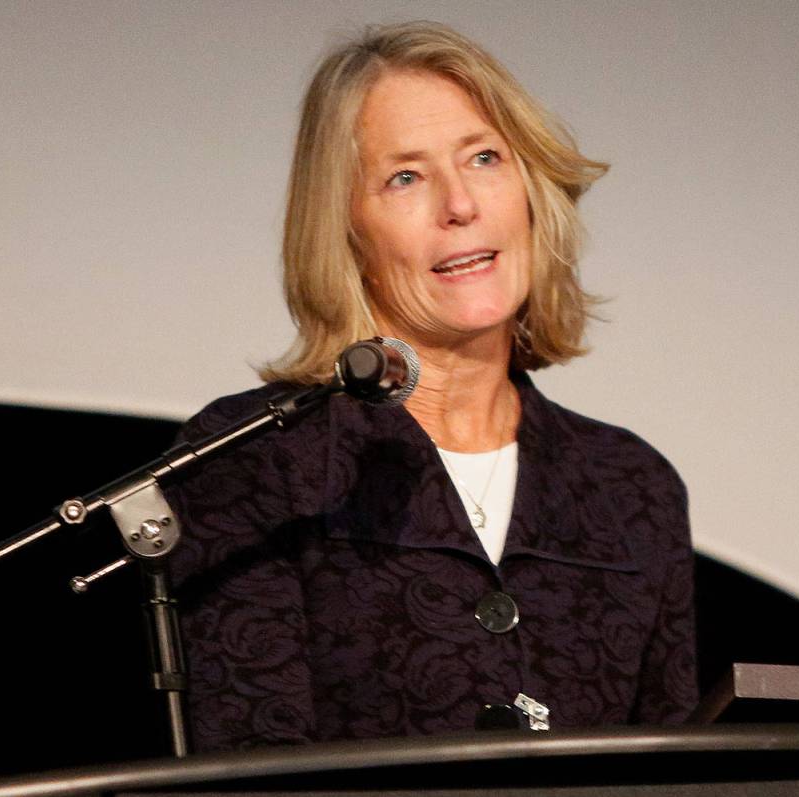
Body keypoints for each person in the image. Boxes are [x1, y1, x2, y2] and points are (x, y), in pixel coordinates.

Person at [168, 21, 697, 751]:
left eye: (484, 158)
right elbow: (253, 768)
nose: (460, 205)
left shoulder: (631, 487)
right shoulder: (256, 463)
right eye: (405, 176)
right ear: (347, 228)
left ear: (532, 190)